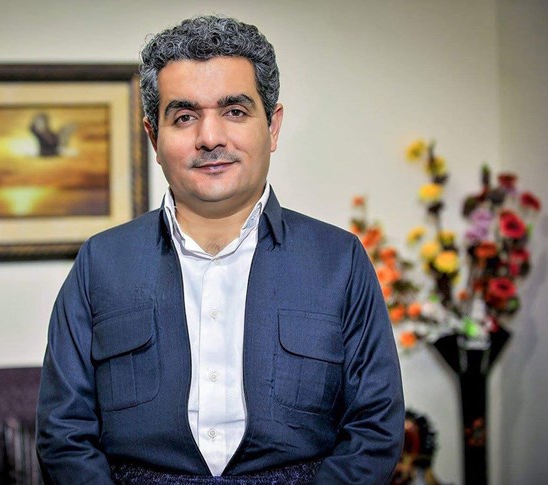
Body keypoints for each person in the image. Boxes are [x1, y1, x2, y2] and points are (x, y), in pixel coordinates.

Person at [36, 15, 404, 485]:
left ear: (272, 127)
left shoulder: (339, 261)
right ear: (153, 137)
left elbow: (374, 430)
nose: (210, 138)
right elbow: (63, 433)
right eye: (184, 117)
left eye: (234, 111)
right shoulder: (100, 264)